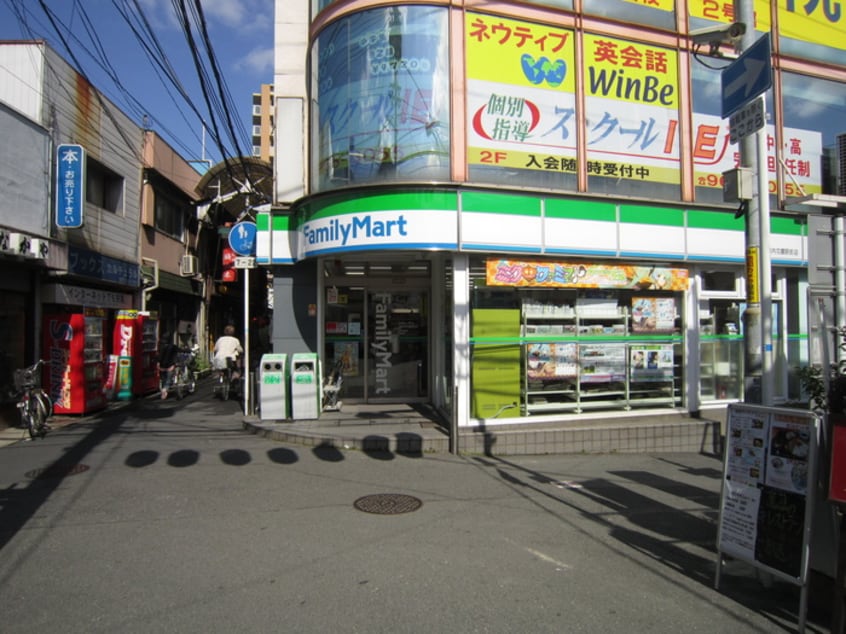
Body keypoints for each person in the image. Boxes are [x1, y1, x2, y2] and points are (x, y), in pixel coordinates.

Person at [158, 333, 179, 399]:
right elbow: (179, 351)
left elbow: (160, 357)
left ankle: (163, 390)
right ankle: (165, 389)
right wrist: (189, 350)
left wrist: (158, 363)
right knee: (168, 379)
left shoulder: (161, 346)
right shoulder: (173, 346)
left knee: (163, 378)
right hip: (170, 365)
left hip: (162, 366)